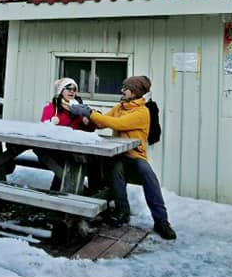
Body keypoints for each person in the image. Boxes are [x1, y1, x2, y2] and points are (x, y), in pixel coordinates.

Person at [69, 75, 177, 240]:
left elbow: (118, 124)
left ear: (134, 92)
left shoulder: (142, 112)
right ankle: (122, 212)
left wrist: (91, 113)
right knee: (115, 169)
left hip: (135, 156)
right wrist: (87, 112)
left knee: (149, 176)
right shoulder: (120, 107)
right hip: (117, 154)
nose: (122, 90)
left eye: (125, 88)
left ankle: (161, 221)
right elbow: (103, 122)